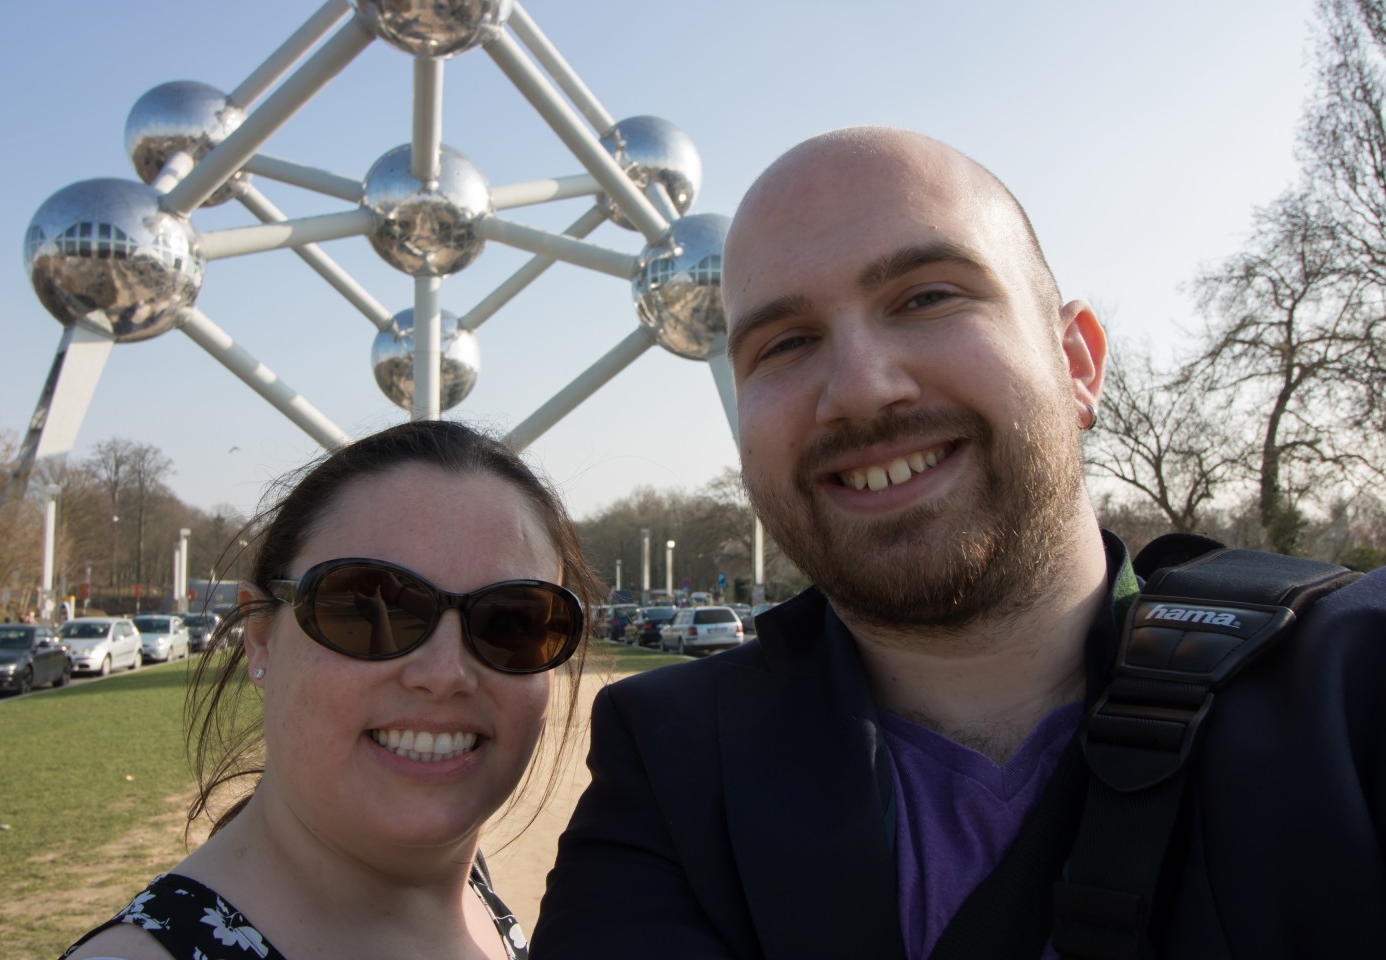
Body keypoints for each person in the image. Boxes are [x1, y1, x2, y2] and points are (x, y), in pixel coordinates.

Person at [532, 127, 1386, 959]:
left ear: (1077, 361)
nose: (860, 391)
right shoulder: (671, 766)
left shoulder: (1353, 685)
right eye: (785, 343)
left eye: (928, 297)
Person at [63, 419, 601, 960]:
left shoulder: (484, 904)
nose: (444, 674)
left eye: (513, 622)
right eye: (370, 610)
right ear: (260, 636)